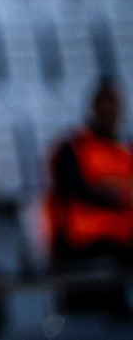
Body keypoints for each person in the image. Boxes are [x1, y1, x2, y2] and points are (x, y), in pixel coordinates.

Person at [47, 79, 133, 265]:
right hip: (86, 237)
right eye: (104, 103)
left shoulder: (125, 150)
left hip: (124, 233)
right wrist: (116, 195)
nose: (110, 110)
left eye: (114, 103)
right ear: (94, 106)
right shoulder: (74, 147)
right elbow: (74, 188)